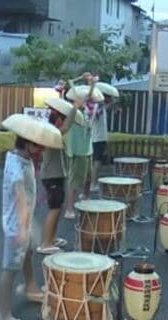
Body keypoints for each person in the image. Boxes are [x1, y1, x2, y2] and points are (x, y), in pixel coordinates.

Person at [0, 114, 63, 320]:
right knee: (9, 269)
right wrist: (24, 228)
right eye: (39, 146)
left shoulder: (19, 159)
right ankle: (3, 316)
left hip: (21, 221)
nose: (41, 150)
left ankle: (30, 287)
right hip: (17, 225)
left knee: (27, 254)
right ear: (27, 142)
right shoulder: (17, 167)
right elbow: (20, 197)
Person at [36, 97, 84, 255]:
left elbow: (65, 127)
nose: (62, 122)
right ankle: (46, 243)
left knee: (58, 207)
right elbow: (67, 126)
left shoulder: (51, 132)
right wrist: (74, 108)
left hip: (55, 175)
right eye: (60, 119)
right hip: (52, 176)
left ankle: (52, 238)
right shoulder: (51, 133)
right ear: (56, 121)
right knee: (54, 209)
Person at [62, 78, 102, 219]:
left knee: (88, 177)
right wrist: (76, 82)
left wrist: (92, 85)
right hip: (78, 149)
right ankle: (69, 208)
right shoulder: (75, 110)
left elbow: (89, 98)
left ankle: (85, 197)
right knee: (74, 180)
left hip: (87, 148)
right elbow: (79, 97)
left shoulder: (89, 110)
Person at [89, 78, 118, 196]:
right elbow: (99, 112)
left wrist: (110, 104)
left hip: (98, 137)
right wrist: (111, 103)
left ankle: (92, 183)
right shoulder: (96, 106)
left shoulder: (97, 106)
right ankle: (93, 183)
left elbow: (103, 109)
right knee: (97, 161)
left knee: (96, 161)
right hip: (98, 137)